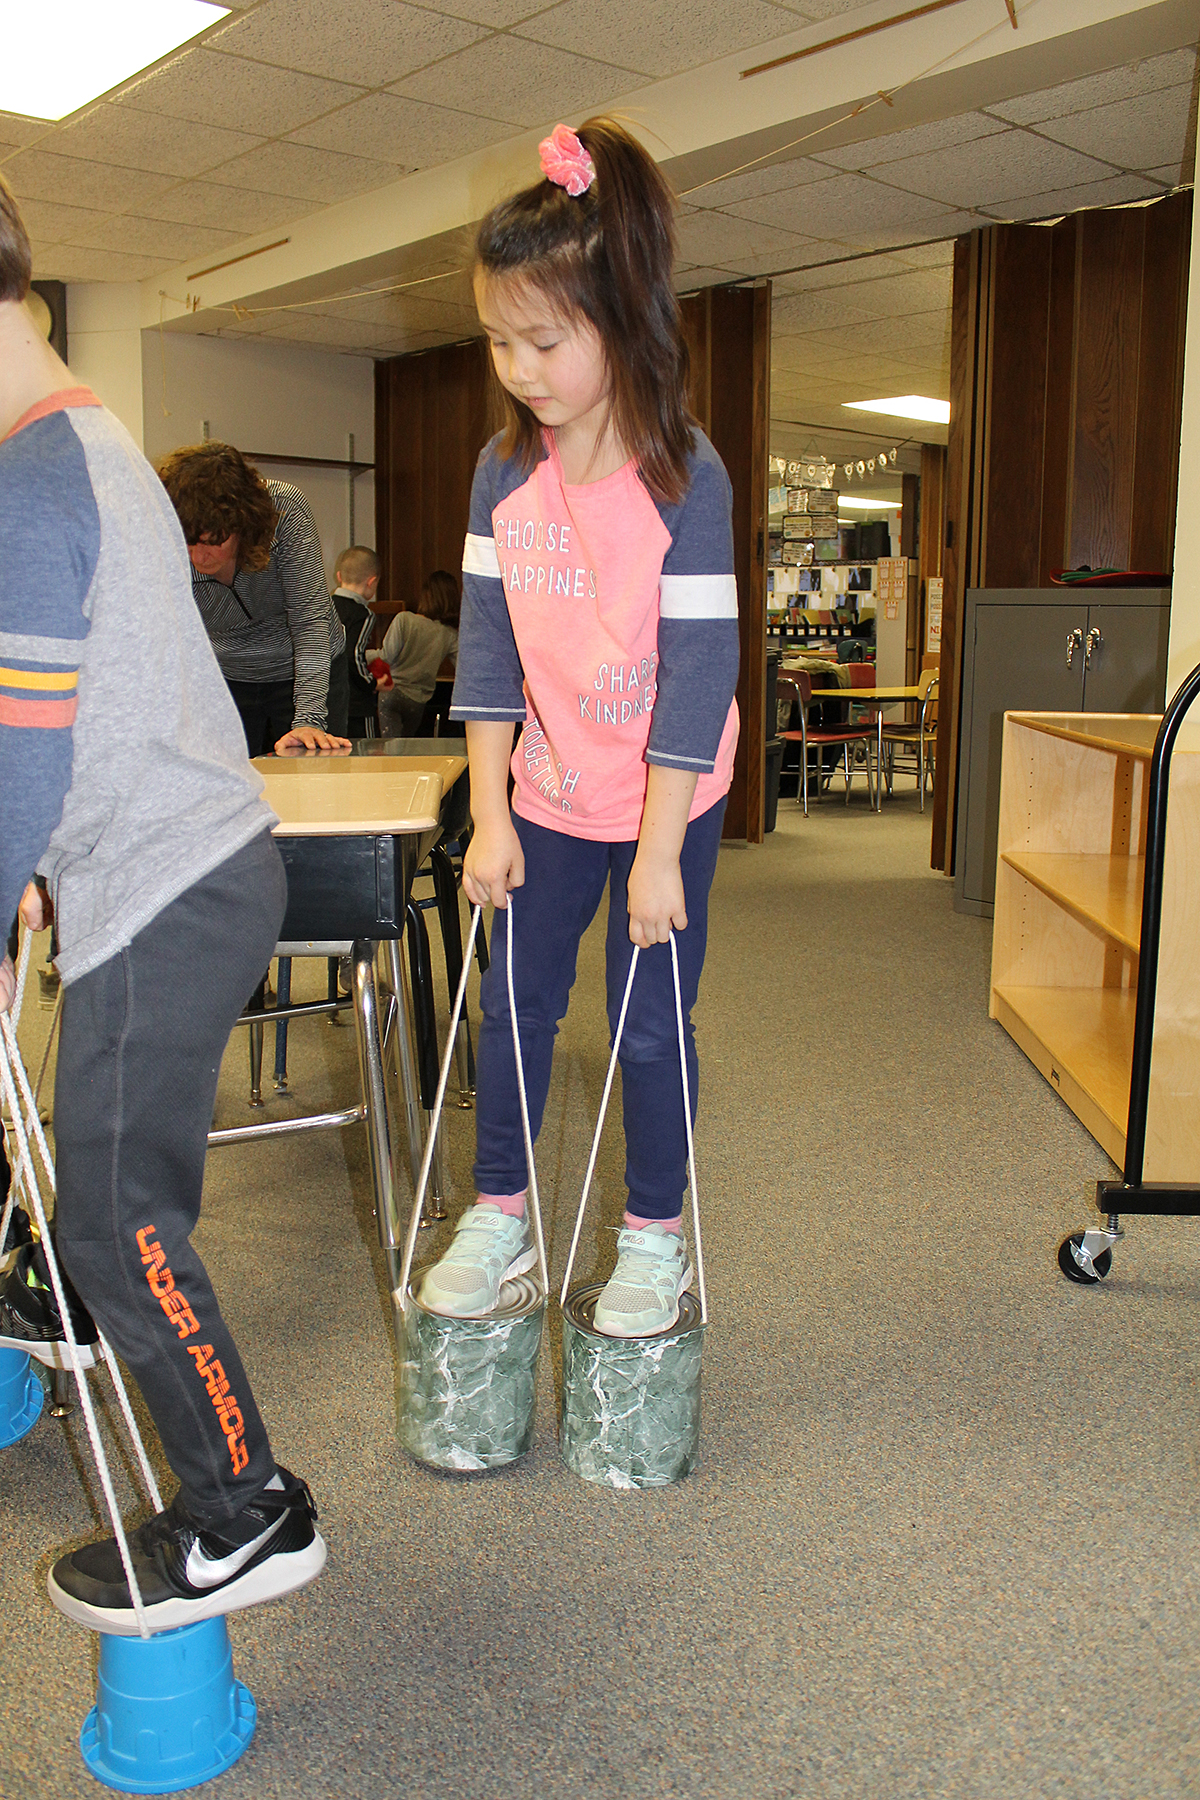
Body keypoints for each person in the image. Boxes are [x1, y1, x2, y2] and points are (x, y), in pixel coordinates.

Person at [0, 174, 325, 1634]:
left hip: (167, 889)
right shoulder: (85, 430)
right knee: (108, 1216)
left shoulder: (29, 475)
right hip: (173, 870)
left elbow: (20, 751)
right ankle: (60, 1300)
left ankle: (243, 1507)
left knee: (125, 1223)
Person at [420, 119, 739, 1338]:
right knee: (514, 1002)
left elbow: (701, 671)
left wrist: (660, 855)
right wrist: (488, 816)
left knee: (648, 1026)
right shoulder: (503, 477)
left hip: (669, 796)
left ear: (624, 319)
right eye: (499, 340)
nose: (520, 366)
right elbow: (490, 652)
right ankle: (501, 1215)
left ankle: (652, 1240)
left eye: (545, 339)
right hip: (550, 791)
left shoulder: (684, 478)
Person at [157, 442, 350, 755]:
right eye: (187, 543)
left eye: (211, 542)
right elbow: (164, 636)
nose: (197, 556)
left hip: (304, 667)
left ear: (243, 523)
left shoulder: (284, 511)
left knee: (312, 775)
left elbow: (309, 621)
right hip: (229, 674)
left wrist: (309, 719)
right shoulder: (162, 532)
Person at [377, 569, 460, 738]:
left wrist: (362, 655)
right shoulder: (449, 634)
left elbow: (386, 656)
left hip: (391, 693)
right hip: (418, 700)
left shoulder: (404, 619)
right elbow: (463, 667)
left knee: (389, 749)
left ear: (426, 595)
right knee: (407, 749)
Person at [331, 544, 384, 736]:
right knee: (366, 755)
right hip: (357, 703)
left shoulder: (326, 607)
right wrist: (372, 683)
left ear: (339, 577)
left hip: (330, 699)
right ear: (372, 582)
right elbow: (353, 655)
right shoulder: (363, 615)